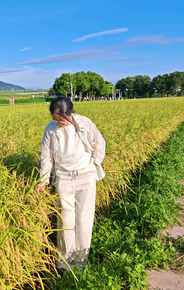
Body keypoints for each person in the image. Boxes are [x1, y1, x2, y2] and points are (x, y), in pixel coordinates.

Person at [36, 97, 106, 271]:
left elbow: (100, 143)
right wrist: (43, 180)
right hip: (63, 179)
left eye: (62, 119)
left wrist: (95, 164)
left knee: (84, 220)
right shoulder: (50, 129)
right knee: (66, 221)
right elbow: (47, 158)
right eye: (55, 119)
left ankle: (81, 262)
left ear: (70, 114)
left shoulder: (84, 123)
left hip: (86, 177)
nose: (58, 122)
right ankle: (66, 263)